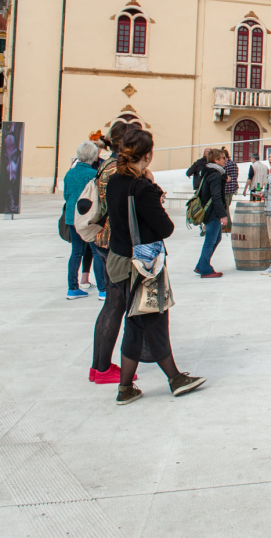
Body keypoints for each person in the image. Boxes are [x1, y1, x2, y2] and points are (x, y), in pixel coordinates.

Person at [105, 129, 205, 405]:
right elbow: (165, 228)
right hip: (142, 266)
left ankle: (128, 387)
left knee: (138, 321)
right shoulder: (143, 188)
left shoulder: (115, 181)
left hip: (119, 259)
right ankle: (173, 379)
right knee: (152, 320)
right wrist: (154, 190)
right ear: (148, 155)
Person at [89, 122, 134, 384]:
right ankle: (103, 368)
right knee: (115, 305)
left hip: (102, 239)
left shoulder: (106, 164)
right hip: (112, 240)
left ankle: (98, 366)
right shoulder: (118, 168)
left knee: (111, 305)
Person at [63, 141, 107, 299]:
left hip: (71, 217)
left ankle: (72, 288)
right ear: (94, 156)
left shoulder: (69, 174)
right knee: (96, 252)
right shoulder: (93, 174)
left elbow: (66, 195)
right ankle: (103, 289)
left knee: (76, 252)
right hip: (89, 218)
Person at [194, 148, 229, 278]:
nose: (226, 160)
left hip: (208, 210)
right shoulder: (215, 175)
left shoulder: (208, 172)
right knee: (210, 240)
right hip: (213, 212)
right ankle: (205, 269)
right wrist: (223, 214)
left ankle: (201, 265)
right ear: (216, 160)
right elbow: (216, 196)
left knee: (216, 238)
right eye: (223, 158)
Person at [222, 147, 238, 233]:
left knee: (225, 208)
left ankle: (228, 226)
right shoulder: (234, 163)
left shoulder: (225, 165)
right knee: (226, 206)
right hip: (232, 188)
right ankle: (227, 225)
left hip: (225, 188)